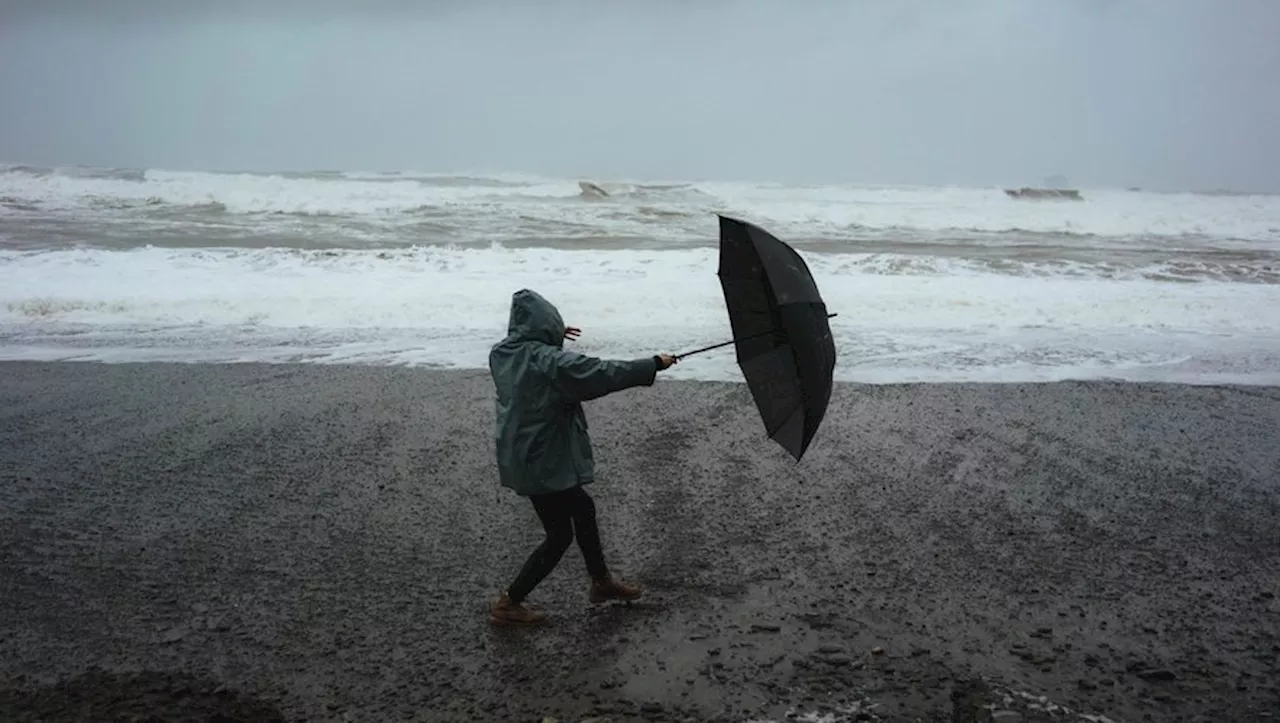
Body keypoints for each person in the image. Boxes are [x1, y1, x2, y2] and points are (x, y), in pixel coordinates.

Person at [487, 289, 678, 626]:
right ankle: (509, 602)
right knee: (559, 536)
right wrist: (652, 364)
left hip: (524, 453)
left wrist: (550, 337)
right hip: (542, 459)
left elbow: (535, 356)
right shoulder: (549, 362)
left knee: (583, 507)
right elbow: (600, 373)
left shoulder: (503, 354)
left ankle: (601, 582)